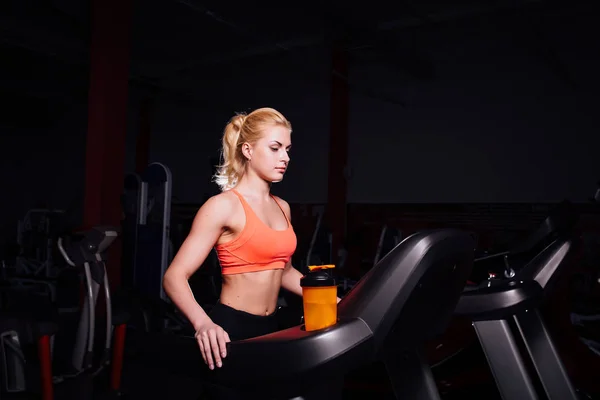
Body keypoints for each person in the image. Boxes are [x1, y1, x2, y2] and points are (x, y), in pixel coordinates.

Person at [163, 107, 338, 398]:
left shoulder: (282, 207)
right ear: (247, 149)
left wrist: (335, 300)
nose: (285, 158)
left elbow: (283, 271)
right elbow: (174, 276)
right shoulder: (223, 206)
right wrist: (203, 323)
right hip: (231, 330)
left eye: (287, 149)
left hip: (273, 328)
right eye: (275, 148)